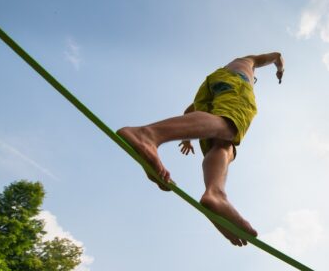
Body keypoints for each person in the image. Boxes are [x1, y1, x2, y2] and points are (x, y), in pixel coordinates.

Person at [117, 52, 285, 246]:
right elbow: (277, 55)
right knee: (230, 125)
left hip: (209, 90)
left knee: (224, 143)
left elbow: (191, 111)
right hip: (234, 83)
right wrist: (280, 70)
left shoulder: (222, 76)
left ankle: (215, 194)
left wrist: (188, 138)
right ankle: (148, 134)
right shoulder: (248, 62)